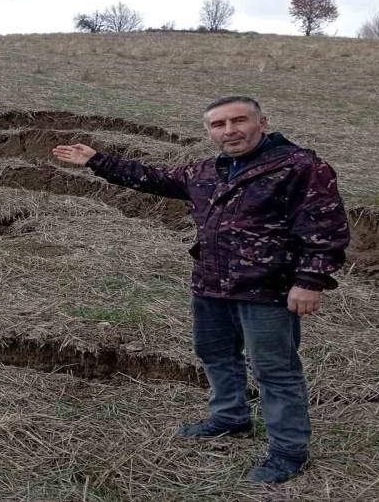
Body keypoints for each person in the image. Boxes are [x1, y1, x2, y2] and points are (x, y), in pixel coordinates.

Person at [51, 96, 349, 484]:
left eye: (238, 121)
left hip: (267, 288)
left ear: (263, 122)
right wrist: (97, 160)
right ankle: (229, 418)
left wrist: (310, 281)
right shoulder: (209, 170)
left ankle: (288, 451)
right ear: (209, 131)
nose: (229, 131)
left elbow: (325, 227)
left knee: (275, 371)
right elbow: (155, 178)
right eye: (218, 125)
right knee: (214, 353)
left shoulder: (301, 167)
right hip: (210, 284)